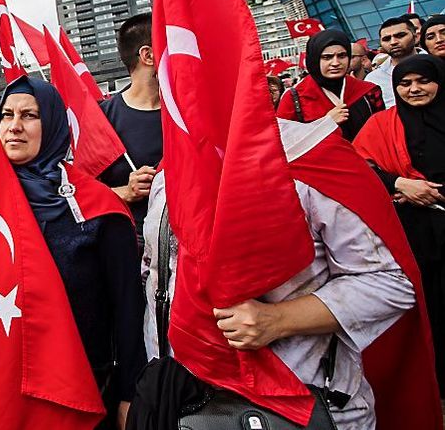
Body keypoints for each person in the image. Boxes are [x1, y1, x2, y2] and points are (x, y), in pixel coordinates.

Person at [134, 116, 427, 430]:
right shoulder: (170, 167)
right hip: (192, 404)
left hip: (305, 401)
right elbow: (155, 274)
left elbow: (390, 281)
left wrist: (277, 320)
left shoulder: (309, 154)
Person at [0, 76, 145, 429]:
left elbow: (129, 308)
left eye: (29, 115)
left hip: (87, 386)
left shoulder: (98, 207)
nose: (14, 127)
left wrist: (130, 392)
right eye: (6, 115)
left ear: (51, 124)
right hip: (12, 383)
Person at [354, 54, 445, 394]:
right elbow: (360, 167)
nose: (414, 89)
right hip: (412, 230)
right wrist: (399, 183)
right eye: (405, 83)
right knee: (427, 302)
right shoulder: (381, 125)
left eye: (423, 81)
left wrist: (431, 191)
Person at [98, 14, 162, 238]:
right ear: (148, 55)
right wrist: (125, 191)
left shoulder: (188, 112)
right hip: (132, 245)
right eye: (170, 43)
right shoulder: (102, 118)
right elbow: (78, 192)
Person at [276, 29, 384, 141]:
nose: (336, 63)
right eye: (327, 57)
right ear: (314, 59)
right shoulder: (294, 97)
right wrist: (326, 124)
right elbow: (284, 142)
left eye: (342, 56)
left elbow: (383, 132)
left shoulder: (368, 91)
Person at [367, 16, 419, 107]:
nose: (393, 42)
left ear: (415, 36)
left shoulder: (439, 63)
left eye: (400, 36)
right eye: (387, 39)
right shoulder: (373, 79)